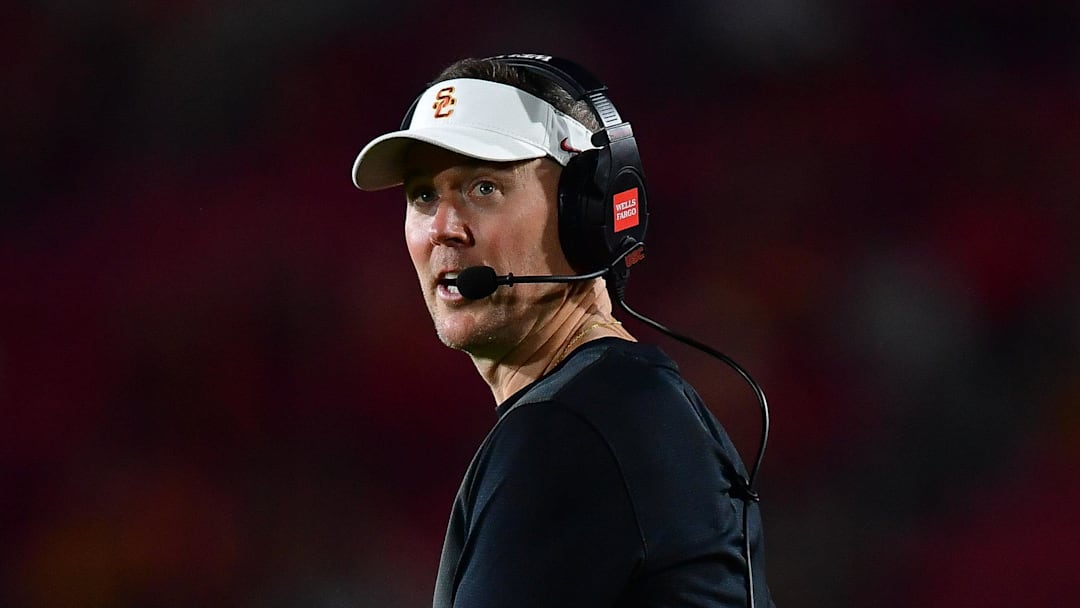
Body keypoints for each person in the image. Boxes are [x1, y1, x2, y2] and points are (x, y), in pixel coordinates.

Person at [351, 54, 775, 608]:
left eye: (484, 188)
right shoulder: (621, 405)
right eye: (424, 195)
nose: (444, 230)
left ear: (588, 212)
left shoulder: (574, 429)